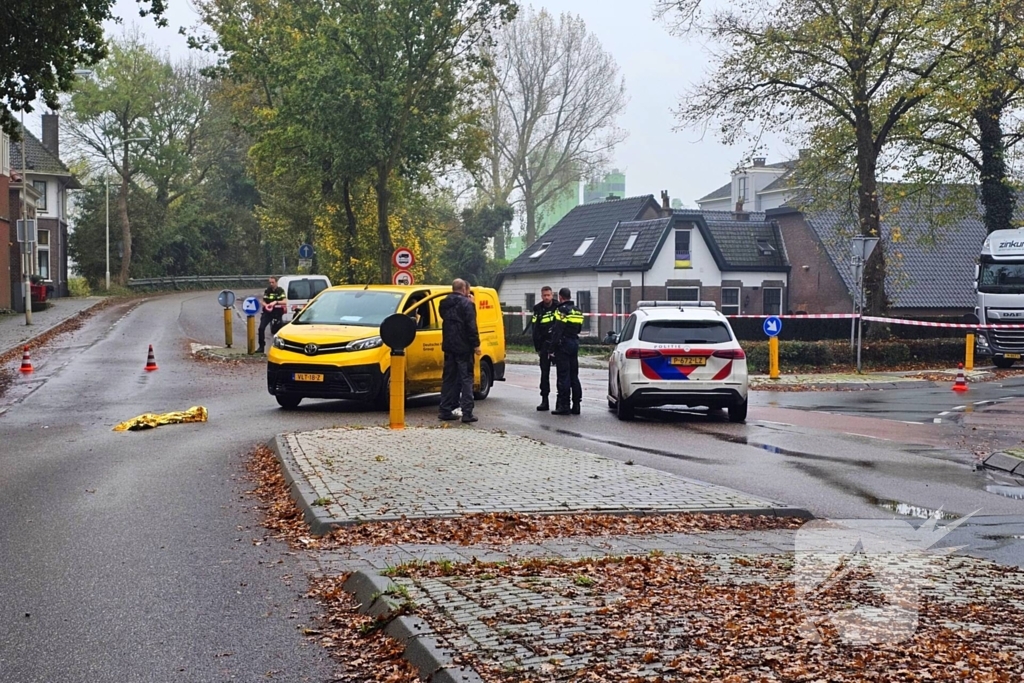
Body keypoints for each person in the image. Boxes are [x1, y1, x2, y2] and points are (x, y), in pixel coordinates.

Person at [438, 279, 481, 423]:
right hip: (464, 347)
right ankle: (467, 413)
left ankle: (445, 410)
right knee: (466, 379)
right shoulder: (467, 304)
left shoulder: (444, 303)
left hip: (449, 345)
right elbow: (471, 326)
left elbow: (445, 318)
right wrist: (476, 344)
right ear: (464, 289)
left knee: (448, 378)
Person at [549, 287, 584, 416]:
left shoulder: (561, 310)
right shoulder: (578, 311)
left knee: (563, 375)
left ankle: (564, 405)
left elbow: (558, 330)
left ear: (560, 297)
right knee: (574, 375)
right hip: (574, 343)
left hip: (563, 345)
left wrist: (551, 348)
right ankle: (576, 404)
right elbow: (579, 329)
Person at [530, 286, 558, 411]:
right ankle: (544, 400)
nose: (547, 297)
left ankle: (561, 402)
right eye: (544, 295)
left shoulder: (558, 307)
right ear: (542, 296)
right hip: (544, 345)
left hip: (557, 345)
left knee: (562, 374)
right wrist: (538, 347)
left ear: (552, 295)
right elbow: (535, 328)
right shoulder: (538, 308)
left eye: (548, 295)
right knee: (544, 374)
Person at [257, 276, 286, 353]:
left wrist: (276, 302)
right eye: (270, 282)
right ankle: (261, 347)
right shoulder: (267, 290)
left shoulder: (280, 290)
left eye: (273, 282)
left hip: (277, 313)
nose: (271, 284)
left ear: (276, 282)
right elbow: (263, 301)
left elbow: (285, 301)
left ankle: (280, 348)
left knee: (279, 331)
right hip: (267, 312)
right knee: (261, 328)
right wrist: (265, 305)